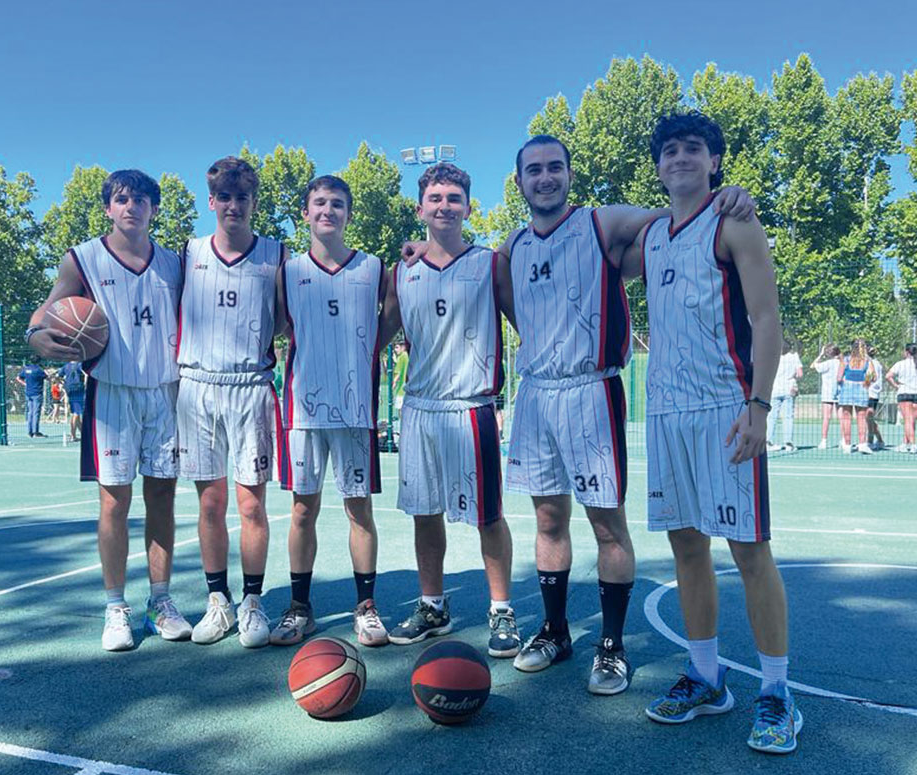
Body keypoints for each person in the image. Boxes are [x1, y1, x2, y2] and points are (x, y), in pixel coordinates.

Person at [498, 135, 754, 693]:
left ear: (569, 174)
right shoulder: (511, 248)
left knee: (606, 524)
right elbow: (512, 308)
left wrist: (726, 196)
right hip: (537, 394)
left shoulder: (603, 222)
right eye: (534, 170)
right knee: (547, 519)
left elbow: (679, 212)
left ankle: (611, 646)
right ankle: (554, 630)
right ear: (518, 181)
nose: (546, 178)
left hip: (593, 390)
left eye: (556, 168)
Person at [620, 112, 800, 754]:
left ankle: (777, 692)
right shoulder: (651, 238)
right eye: (668, 151)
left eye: (693, 149)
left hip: (726, 406)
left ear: (714, 161)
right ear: (659, 166)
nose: (680, 159)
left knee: (749, 551)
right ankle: (705, 677)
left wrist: (760, 404)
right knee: (687, 548)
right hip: (666, 413)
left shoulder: (736, 224)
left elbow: (766, 315)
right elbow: (595, 230)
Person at [27, 169, 190, 652]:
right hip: (112, 392)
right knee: (114, 503)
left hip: (166, 392)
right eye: (122, 199)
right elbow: (43, 316)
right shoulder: (82, 259)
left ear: (154, 209)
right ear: (107, 208)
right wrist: (37, 338)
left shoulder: (176, 263)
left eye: (141, 199)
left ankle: (160, 600)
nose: (132, 206)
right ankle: (116, 606)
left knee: (162, 499)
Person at [379, 163, 521, 659]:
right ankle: (433, 605)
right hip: (420, 408)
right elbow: (381, 332)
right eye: (435, 198)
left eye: (454, 198)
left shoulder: (490, 263)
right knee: (424, 513)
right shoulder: (402, 271)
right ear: (420, 209)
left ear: (466, 207)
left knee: (488, 516)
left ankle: (501, 609)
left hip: (471, 407)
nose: (444, 206)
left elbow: (523, 321)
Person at [270, 175, 388, 648]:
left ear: (348, 214)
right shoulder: (287, 270)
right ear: (306, 212)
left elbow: (395, 315)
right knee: (303, 511)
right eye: (319, 203)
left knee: (359, 510)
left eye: (337, 204)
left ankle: (366, 607)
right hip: (303, 409)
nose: (328, 211)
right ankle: (301, 607)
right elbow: (276, 327)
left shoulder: (375, 269)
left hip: (356, 408)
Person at [175, 157, 285, 648]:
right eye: (225, 197)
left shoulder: (275, 255)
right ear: (212, 200)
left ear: (253, 202)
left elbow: (285, 319)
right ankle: (217, 600)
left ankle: (253, 601)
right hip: (197, 386)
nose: (233, 206)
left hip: (249, 386)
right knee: (211, 502)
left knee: (251, 504)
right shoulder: (187, 253)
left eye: (243, 198)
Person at [837, 339, 875, 455]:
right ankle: (862, 444)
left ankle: (847, 445)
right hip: (861, 388)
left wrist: (844, 381)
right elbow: (873, 376)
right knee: (861, 417)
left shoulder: (846, 360)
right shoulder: (867, 361)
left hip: (847, 388)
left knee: (846, 416)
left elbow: (838, 377)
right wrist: (865, 382)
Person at [767, 340, 802, 452]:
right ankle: (788, 443)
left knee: (772, 416)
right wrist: (794, 378)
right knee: (788, 417)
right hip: (789, 389)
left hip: (775, 389)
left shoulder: (772, 357)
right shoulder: (794, 357)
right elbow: (800, 374)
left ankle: (767, 441)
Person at [886, 343, 917, 453]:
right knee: (912, 420)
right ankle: (905, 443)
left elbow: (888, 376)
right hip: (915, 393)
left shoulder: (900, 364)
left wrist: (895, 385)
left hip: (904, 392)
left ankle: (913, 444)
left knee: (907, 420)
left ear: (907, 352)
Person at [811, 345, 841, 449]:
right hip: (840, 392)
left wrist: (820, 355)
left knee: (826, 417)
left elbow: (813, 365)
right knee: (842, 417)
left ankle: (824, 440)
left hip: (828, 393)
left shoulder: (827, 363)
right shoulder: (841, 363)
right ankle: (844, 440)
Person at [16, 360, 48, 437]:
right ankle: (35, 431)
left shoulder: (26, 369)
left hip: (28, 392)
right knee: (36, 412)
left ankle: (29, 431)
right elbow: (47, 377)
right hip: (37, 392)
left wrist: (25, 384)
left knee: (30, 412)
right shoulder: (38, 370)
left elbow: (18, 378)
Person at [59, 360, 85, 442]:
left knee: (76, 411)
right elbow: (86, 374)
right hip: (78, 389)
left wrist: (64, 384)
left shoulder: (66, 365)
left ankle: (83, 434)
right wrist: (85, 384)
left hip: (70, 389)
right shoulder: (80, 365)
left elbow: (59, 376)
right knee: (76, 413)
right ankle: (73, 435)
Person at [866, 345, 885, 451]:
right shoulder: (876, 363)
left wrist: (864, 385)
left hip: (870, 393)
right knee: (869, 418)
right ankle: (880, 440)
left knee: (869, 418)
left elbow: (870, 377)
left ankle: (870, 441)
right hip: (873, 393)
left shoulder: (871, 363)